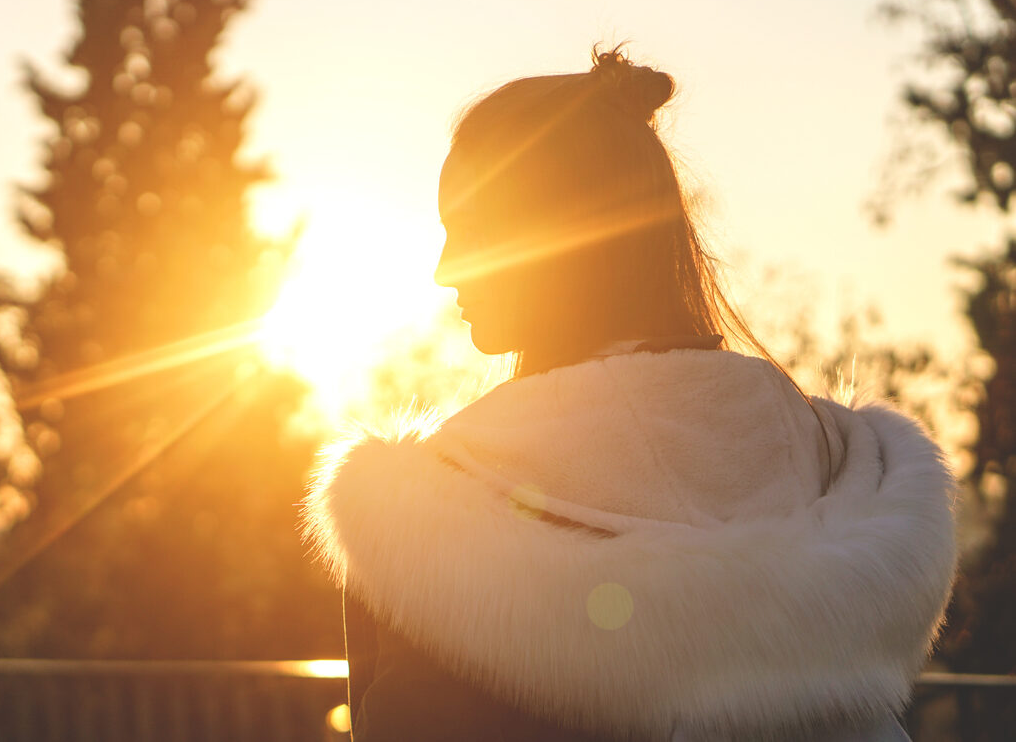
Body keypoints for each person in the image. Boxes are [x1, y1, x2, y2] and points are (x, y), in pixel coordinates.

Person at [302, 49, 959, 741]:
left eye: (467, 231)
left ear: (550, 236)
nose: (443, 271)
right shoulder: (835, 468)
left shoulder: (428, 516)